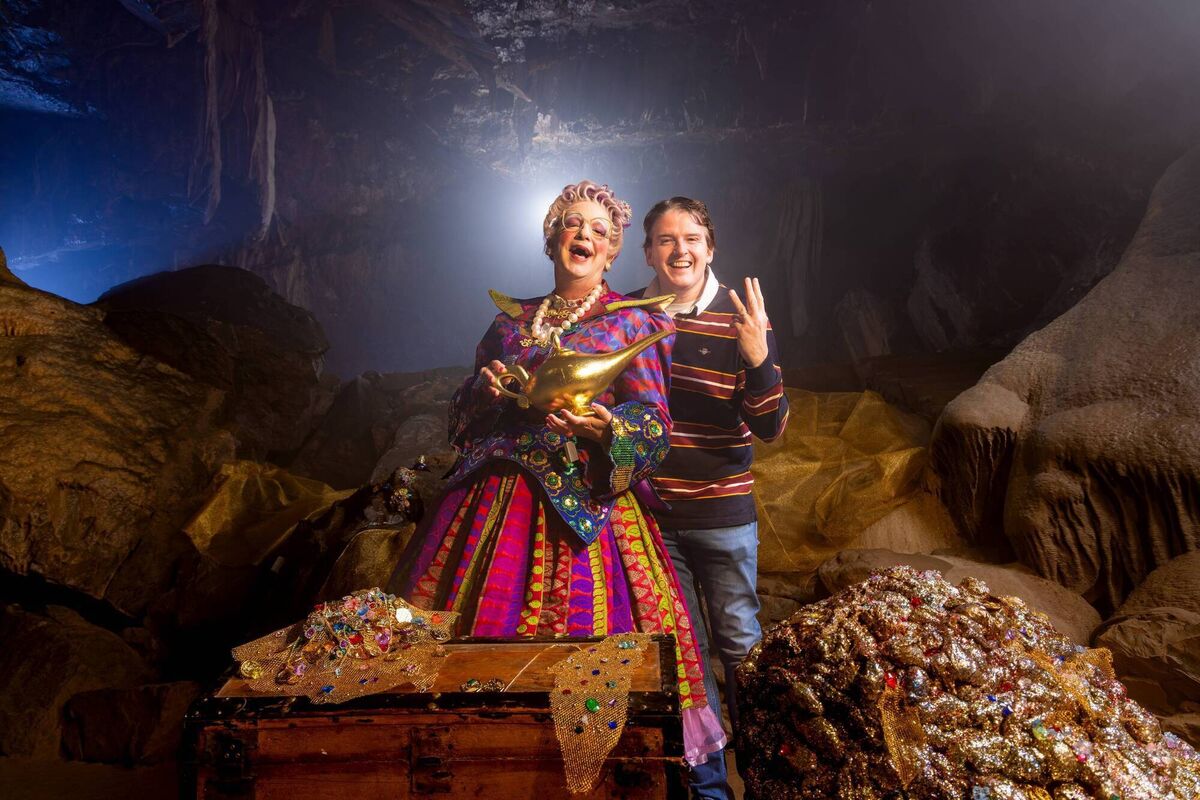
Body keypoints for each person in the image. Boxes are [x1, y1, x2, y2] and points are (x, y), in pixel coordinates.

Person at [389, 180, 725, 768]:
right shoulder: (508, 324)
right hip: (490, 494)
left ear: (614, 250)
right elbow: (461, 418)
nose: (585, 235)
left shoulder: (634, 323)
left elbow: (654, 424)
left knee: (594, 671)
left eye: (600, 229)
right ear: (552, 239)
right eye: (572, 224)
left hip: (584, 505)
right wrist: (485, 390)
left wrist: (605, 430)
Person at [631, 196, 790, 799]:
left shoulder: (740, 315)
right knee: (685, 659)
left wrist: (760, 360)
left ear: (710, 247)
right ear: (648, 251)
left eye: (692, 237)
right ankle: (709, 789)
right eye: (666, 240)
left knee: (742, 649)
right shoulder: (634, 317)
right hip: (656, 519)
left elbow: (773, 427)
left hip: (724, 513)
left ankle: (767, 778)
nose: (681, 250)